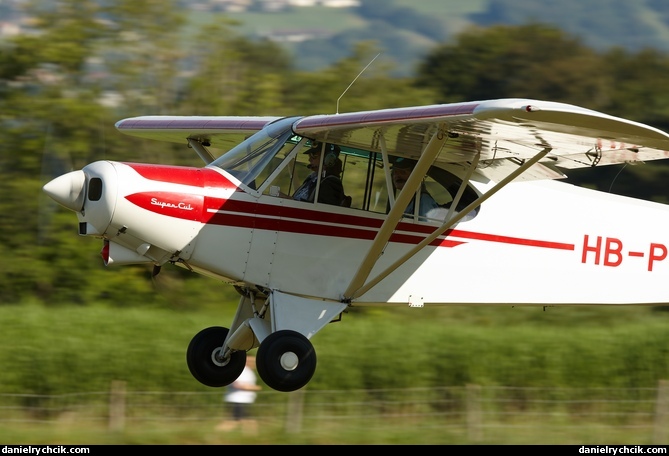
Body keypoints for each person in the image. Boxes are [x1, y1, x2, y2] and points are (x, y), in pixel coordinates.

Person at [289, 141, 347, 206]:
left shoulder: (331, 183)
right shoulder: (312, 178)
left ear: (328, 159)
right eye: (309, 156)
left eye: (314, 156)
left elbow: (321, 211)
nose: (309, 159)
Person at [216, 355, 261, 432]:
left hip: (244, 401)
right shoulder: (242, 371)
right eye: (251, 361)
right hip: (238, 400)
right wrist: (254, 388)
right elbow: (236, 384)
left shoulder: (248, 371)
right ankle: (217, 434)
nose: (253, 363)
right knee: (233, 422)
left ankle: (250, 439)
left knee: (248, 421)